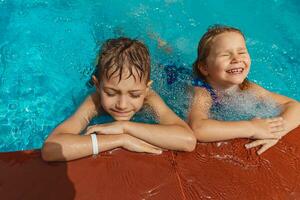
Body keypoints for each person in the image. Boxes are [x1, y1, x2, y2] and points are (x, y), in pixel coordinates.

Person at [42, 37, 196, 161]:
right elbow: (51, 149)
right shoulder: (94, 102)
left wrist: (125, 127)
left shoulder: (149, 99)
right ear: (97, 86)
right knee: (100, 68)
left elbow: (188, 140)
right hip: (104, 77)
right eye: (111, 93)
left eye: (135, 95)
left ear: (146, 89)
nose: (122, 105)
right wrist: (121, 139)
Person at [188, 25, 300, 155]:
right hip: (172, 75)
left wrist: (276, 132)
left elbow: (295, 106)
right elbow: (198, 128)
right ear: (204, 67)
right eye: (225, 55)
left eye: (241, 52)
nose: (236, 59)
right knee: (166, 50)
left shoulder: (247, 88)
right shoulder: (202, 92)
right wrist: (252, 128)